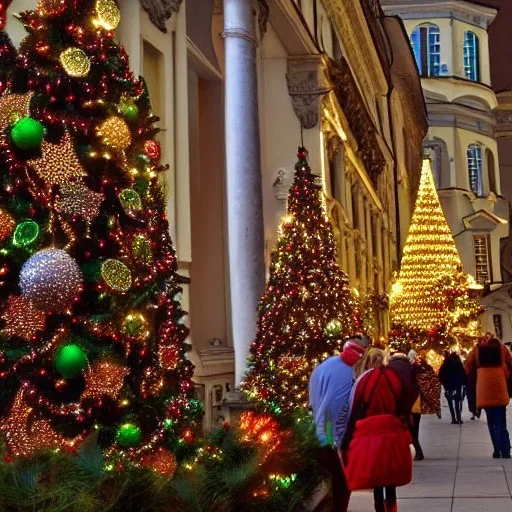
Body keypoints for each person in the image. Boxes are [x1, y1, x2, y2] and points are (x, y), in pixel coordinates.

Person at [341, 349, 409, 512]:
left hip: (370, 435)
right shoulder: (393, 378)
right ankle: (392, 508)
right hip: (392, 433)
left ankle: (379, 507)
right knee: (390, 479)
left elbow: (355, 410)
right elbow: (403, 405)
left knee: (376, 480)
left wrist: (346, 440)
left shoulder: (363, 381)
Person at [309, 337, 367, 511]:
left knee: (328, 485)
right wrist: (338, 441)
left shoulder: (324, 365)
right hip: (330, 439)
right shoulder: (346, 373)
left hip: (317, 433)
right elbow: (335, 409)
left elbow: (313, 400)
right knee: (340, 485)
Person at [465, 337, 512, 458]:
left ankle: (497, 449)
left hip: (485, 390)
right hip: (500, 389)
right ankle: (505, 450)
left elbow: (469, 370)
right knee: (501, 423)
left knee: (491, 423)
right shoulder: (500, 353)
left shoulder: (478, 354)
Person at [408, 350, 441, 460]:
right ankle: (418, 452)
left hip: (413, 402)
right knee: (415, 428)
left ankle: (418, 452)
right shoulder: (424, 367)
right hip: (419, 403)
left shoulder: (412, 369)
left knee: (412, 430)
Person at [438, 351, 467, 424]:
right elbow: (463, 373)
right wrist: (464, 382)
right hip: (457, 384)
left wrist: (444, 383)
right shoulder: (458, 363)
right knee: (457, 401)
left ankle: (453, 418)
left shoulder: (446, 363)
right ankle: (459, 417)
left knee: (450, 401)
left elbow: (441, 374)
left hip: (448, 385)